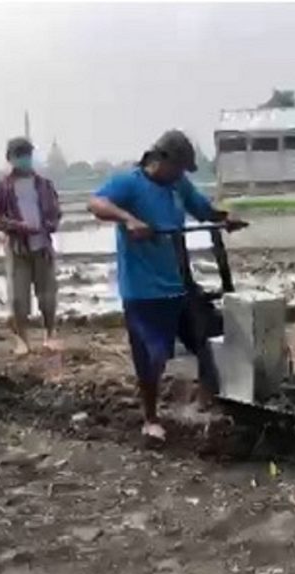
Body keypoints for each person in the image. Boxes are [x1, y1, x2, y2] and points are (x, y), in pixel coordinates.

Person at [88, 130, 246, 443]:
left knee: (209, 338)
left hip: (180, 282)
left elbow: (202, 209)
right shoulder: (129, 183)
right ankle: (150, 419)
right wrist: (128, 219)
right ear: (160, 160)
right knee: (153, 356)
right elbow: (96, 203)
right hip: (144, 290)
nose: (181, 175)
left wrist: (224, 218)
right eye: (178, 168)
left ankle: (207, 402)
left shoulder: (178, 185)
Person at [0, 137, 62, 355]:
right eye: (19, 155)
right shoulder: (2, 187)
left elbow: (56, 213)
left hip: (42, 247)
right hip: (18, 248)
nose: (24, 159)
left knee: (47, 295)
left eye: (27, 155)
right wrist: (18, 226)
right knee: (19, 298)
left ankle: (50, 335)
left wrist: (49, 224)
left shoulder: (44, 185)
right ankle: (23, 341)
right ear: (10, 158)